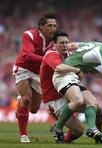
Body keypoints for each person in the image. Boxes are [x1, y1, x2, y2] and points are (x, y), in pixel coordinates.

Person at [40, 30, 102, 144]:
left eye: (66, 43)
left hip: (70, 89)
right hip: (55, 98)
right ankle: (59, 128)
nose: (65, 45)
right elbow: (59, 68)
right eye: (61, 43)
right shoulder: (51, 54)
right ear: (54, 44)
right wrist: (77, 70)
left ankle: (97, 134)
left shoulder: (69, 55)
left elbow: (90, 70)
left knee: (97, 107)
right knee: (78, 131)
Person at [13, 13, 57, 143]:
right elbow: (27, 55)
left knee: (33, 109)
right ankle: (23, 135)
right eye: (49, 26)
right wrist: (49, 59)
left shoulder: (56, 39)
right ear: (41, 27)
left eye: (54, 26)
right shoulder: (29, 35)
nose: (52, 28)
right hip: (24, 68)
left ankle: (20, 102)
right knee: (27, 99)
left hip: (39, 73)